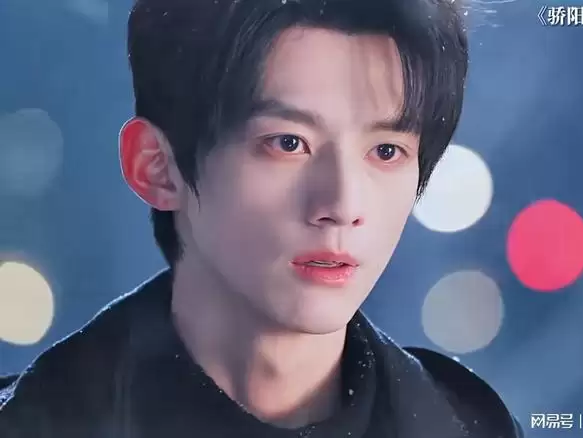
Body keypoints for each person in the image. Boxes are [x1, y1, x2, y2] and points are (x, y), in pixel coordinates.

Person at [0, 0, 523, 436]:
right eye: (288, 143)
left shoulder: (471, 425)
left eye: (386, 151)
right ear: (157, 166)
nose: (342, 206)